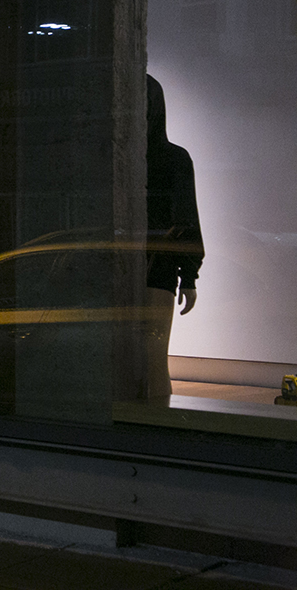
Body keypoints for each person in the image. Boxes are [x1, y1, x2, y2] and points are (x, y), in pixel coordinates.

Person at [141, 74, 204, 398]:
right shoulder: (169, 159)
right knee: (148, 362)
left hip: (156, 271)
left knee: (151, 362)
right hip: (145, 269)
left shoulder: (170, 159)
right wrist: (189, 277)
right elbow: (186, 222)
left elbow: (185, 222)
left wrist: (189, 277)